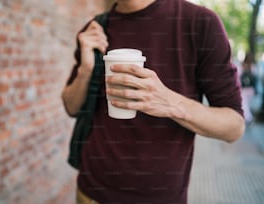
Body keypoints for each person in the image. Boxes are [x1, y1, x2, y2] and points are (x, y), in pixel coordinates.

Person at [62, 0, 245, 203]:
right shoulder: (97, 28)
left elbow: (234, 126)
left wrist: (171, 103)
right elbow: (71, 106)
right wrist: (85, 69)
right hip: (90, 191)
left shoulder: (200, 23)